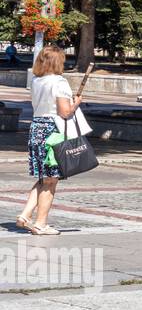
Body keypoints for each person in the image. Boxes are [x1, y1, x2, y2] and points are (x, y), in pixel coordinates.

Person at [15, 47, 84, 236]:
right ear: (57, 62)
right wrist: (76, 102)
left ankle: (25, 215)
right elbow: (65, 112)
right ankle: (40, 224)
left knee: (44, 178)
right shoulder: (59, 82)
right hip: (52, 131)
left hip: (37, 128)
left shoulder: (36, 81)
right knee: (51, 181)